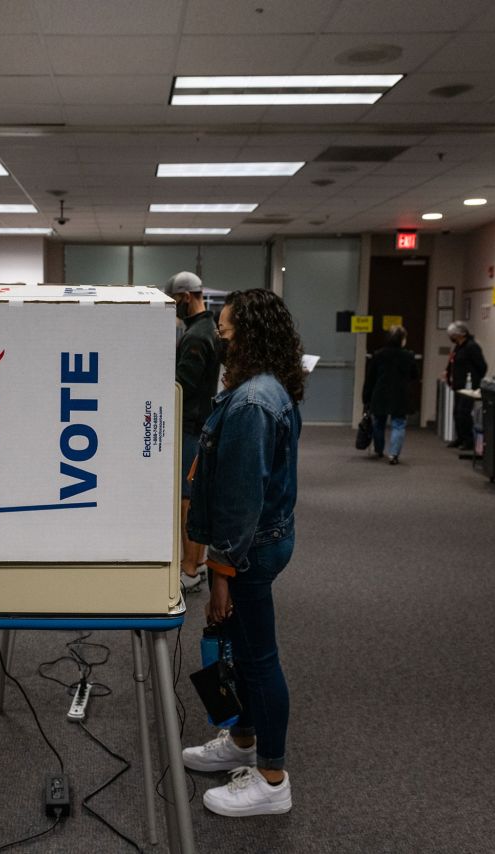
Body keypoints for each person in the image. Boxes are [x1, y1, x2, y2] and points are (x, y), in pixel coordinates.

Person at [182, 288, 303, 818]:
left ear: (248, 335)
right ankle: (242, 742)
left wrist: (221, 573)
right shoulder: (262, 389)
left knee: (257, 659)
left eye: (226, 331)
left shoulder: (255, 401)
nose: (220, 338)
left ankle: (272, 780)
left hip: (249, 550)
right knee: (240, 648)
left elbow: (241, 499)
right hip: (257, 543)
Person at [164, 271, 221, 592]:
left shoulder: (198, 335)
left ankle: (189, 568)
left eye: (174, 302)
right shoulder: (204, 329)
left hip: (191, 427)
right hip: (199, 425)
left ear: (186, 297)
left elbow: (182, 385)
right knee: (194, 497)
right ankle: (196, 563)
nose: (174, 308)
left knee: (188, 501)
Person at [363, 325, 418, 464]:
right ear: (402, 339)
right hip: (400, 394)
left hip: (380, 393)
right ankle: (393, 454)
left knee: (378, 423)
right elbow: (415, 375)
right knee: (398, 424)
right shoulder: (408, 355)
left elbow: (370, 378)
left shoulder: (378, 354)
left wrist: (366, 397)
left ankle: (379, 449)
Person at [443, 321, 487, 451]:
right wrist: (447, 371)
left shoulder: (472, 347)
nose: (451, 337)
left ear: (461, 334)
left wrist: (475, 380)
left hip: (468, 387)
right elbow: (452, 361)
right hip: (458, 385)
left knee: (464, 413)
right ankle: (460, 438)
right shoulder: (458, 346)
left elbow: (482, 366)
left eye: (453, 335)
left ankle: (469, 441)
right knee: (457, 413)